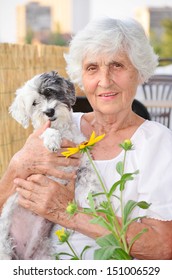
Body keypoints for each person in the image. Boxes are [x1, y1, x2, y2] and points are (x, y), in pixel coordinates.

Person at [0, 17, 172, 260]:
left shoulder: (158, 143)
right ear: (81, 76)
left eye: (117, 65)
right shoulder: (58, 126)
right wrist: (17, 166)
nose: (105, 80)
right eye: (92, 68)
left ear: (139, 71)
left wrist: (67, 213)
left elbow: (164, 247)